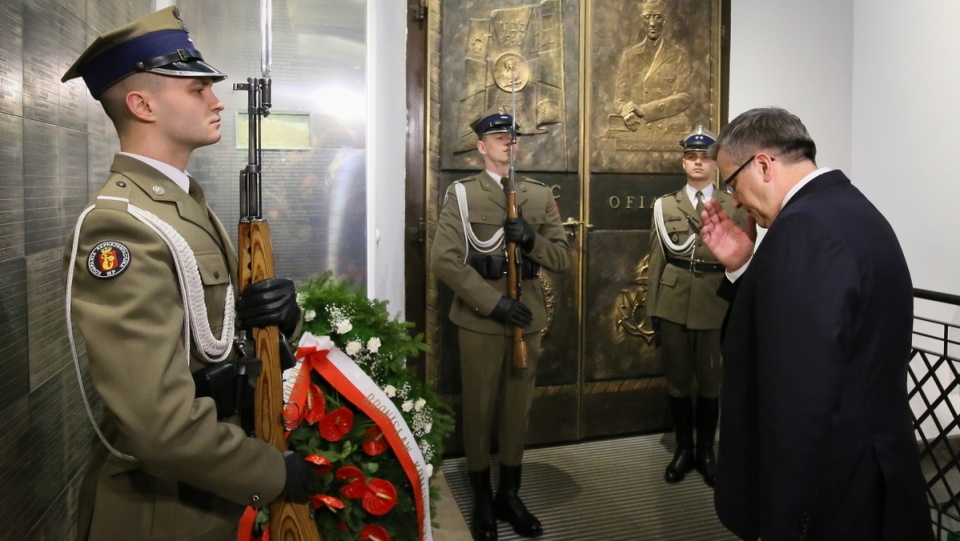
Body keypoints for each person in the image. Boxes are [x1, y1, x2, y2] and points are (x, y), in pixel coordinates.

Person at [61, 8, 313, 540]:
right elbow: (160, 426)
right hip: (165, 509)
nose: (216, 101)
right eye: (198, 88)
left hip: (208, 486)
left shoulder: (181, 204)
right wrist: (271, 474)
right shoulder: (118, 226)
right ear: (142, 104)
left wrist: (273, 323)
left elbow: (209, 341)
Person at [699, 107, 932, 540]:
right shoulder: (848, 208)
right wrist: (742, 268)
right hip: (873, 464)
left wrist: (787, 517)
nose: (734, 200)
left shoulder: (804, 230)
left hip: (836, 491)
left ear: (763, 165)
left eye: (731, 183)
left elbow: (798, 396)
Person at [431, 110, 571, 540]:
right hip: (481, 319)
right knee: (478, 409)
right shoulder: (463, 194)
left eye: (511, 137)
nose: (506, 143)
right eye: (496, 137)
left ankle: (510, 494)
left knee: (516, 411)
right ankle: (481, 499)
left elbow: (562, 258)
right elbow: (445, 260)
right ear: (481, 146)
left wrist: (531, 238)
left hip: (526, 318)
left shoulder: (537, 194)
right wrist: (495, 304)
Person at [646, 126, 746, 487]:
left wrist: (739, 311)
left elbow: (743, 260)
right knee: (676, 382)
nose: (698, 163)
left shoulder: (734, 205)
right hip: (673, 302)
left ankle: (706, 451)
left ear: (715, 163)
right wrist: (652, 311)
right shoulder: (665, 206)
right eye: (692, 157)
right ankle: (683, 449)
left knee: (709, 384)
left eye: (705, 158)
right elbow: (656, 260)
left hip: (714, 303)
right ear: (683, 162)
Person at [613, 0, 692, 134]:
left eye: (657, 17)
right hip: (637, 130)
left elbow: (685, 97)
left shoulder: (678, 55)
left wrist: (645, 110)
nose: (652, 23)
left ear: (664, 20)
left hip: (668, 130)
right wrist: (626, 112)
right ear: (642, 21)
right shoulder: (629, 56)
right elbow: (619, 99)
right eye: (647, 17)